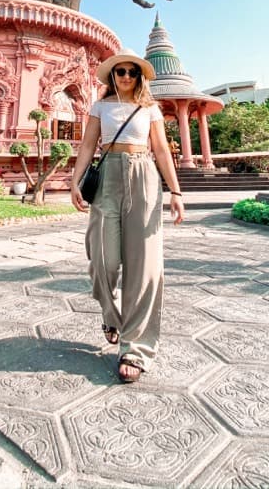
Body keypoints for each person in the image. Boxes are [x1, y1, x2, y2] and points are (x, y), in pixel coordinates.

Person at [70, 48, 184, 383]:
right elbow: (88, 148)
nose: (126, 77)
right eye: (120, 72)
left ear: (140, 77)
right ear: (112, 77)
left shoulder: (150, 109)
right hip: (108, 179)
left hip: (144, 176)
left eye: (132, 72)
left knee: (144, 265)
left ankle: (136, 348)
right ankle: (110, 313)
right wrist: (75, 183)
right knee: (102, 258)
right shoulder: (100, 107)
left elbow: (161, 150)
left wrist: (176, 192)